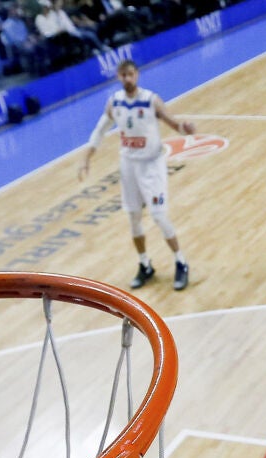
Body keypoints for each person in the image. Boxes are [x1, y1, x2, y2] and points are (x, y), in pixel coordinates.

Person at [78, 59, 196, 291]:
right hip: (129, 165)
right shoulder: (115, 102)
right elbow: (99, 132)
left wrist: (185, 129)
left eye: (130, 74)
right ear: (118, 77)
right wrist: (86, 158)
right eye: (123, 75)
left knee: (159, 215)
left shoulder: (151, 100)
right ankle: (145, 264)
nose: (127, 78)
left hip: (152, 165)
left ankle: (181, 262)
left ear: (137, 75)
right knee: (133, 217)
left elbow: (173, 123)